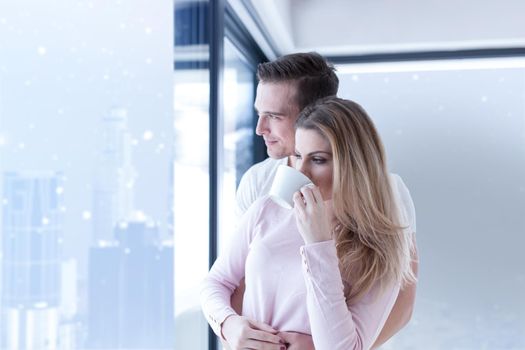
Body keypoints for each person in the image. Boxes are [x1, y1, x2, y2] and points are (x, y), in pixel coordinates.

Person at [201, 96, 417, 350]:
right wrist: (228, 324)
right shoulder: (265, 210)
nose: (301, 171)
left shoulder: (381, 245)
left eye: (318, 159)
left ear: (355, 166)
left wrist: (319, 244)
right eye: (298, 155)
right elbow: (216, 282)